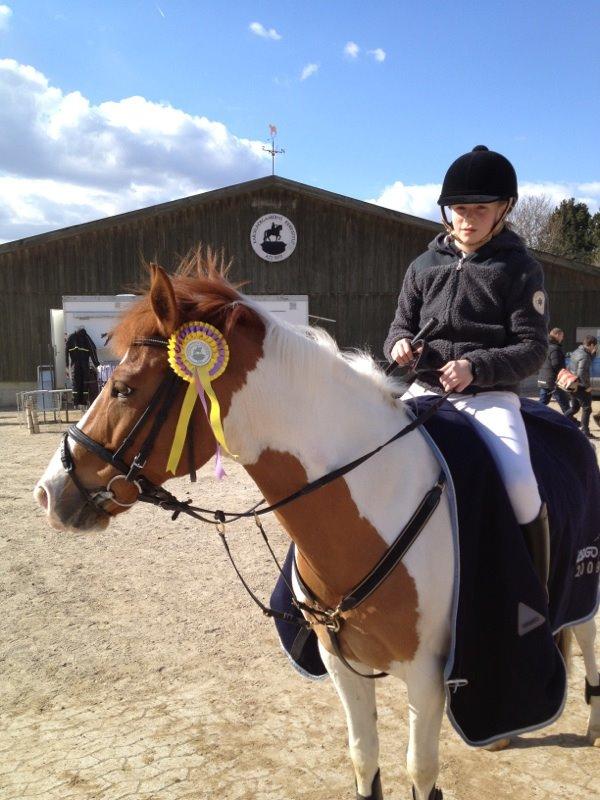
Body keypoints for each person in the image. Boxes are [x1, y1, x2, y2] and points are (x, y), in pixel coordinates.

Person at [384, 145, 551, 591]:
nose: (468, 218)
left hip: (489, 398)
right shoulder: (421, 267)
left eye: (480, 209)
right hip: (423, 392)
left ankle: (536, 593)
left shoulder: (519, 269)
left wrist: (476, 367)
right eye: (460, 208)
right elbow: (399, 327)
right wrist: (400, 345)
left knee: (520, 489)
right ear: (447, 211)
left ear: (504, 210)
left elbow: (533, 348)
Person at [567, 335, 598, 439]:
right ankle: (585, 432)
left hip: (572, 384)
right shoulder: (585, 356)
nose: (595, 348)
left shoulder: (577, 351)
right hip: (580, 386)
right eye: (595, 346)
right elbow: (581, 373)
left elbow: (577, 365)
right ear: (592, 345)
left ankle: (562, 420)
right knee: (587, 409)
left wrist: (592, 355)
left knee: (575, 407)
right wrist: (587, 387)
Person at [537, 328, 572, 415]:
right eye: (562, 336)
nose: (562, 338)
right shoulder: (555, 349)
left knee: (542, 403)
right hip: (554, 381)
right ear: (557, 335)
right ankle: (571, 421)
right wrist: (564, 372)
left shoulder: (544, 346)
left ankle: (533, 417)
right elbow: (556, 364)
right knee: (564, 403)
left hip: (543, 379)